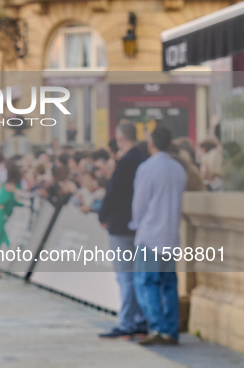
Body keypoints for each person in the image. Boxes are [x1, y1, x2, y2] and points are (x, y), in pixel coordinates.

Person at [130, 127, 187, 346]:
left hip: (151, 233)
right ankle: (170, 329)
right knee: (169, 283)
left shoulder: (147, 168)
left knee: (146, 282)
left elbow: (140, 203)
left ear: (152, 143)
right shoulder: (178, 169)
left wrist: (136, 224)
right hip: (170, 234)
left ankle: (158, 326)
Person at [98, 122, 148, 339]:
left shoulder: (125, 163)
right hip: (141, 226)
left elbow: (113, 193)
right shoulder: (144, 160)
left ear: (119, 139)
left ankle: (127, 322)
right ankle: (139, 319)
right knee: (137, 275)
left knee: (125, 276)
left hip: (120, 225)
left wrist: (103, 215)